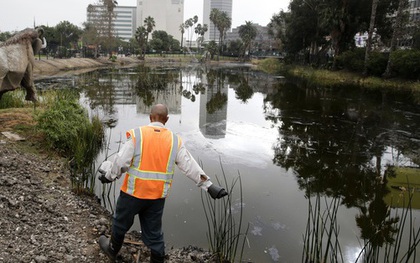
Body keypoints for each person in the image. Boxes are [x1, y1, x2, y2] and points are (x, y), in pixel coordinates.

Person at [97, 104, 228, 263]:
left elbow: (120, 162)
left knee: (120, 222)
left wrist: (109, 177)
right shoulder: (174, 141)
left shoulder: (138, 135)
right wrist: (209, 186)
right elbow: (189, 165)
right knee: (154, 233)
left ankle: (112, 251)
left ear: (150, 117)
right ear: (166, 119)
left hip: (132, 194)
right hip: (156, 197)